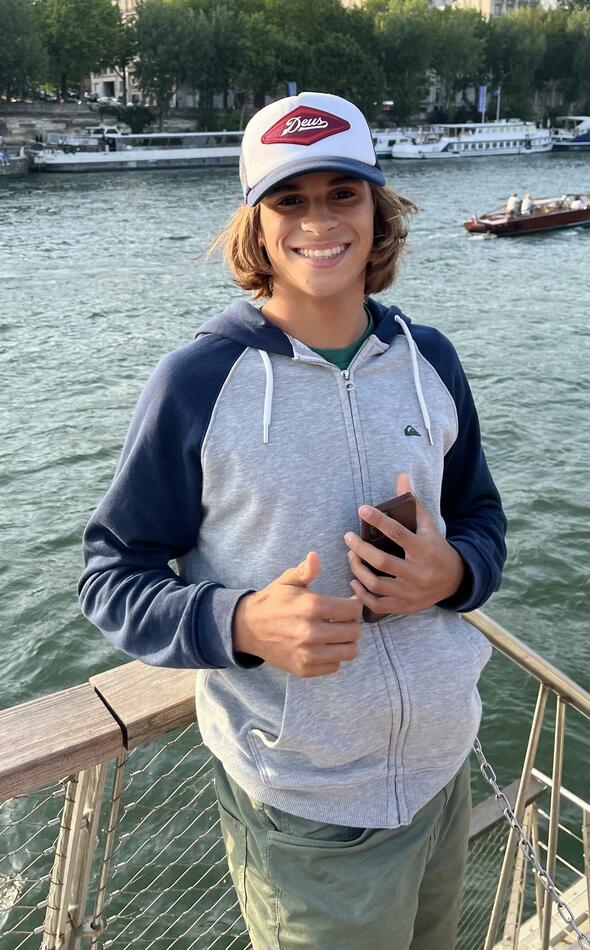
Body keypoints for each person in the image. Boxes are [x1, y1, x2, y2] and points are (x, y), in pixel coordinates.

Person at [79, 91, 507, 949]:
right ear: (256, 222)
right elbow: (110, 576)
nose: (320, 221)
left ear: (378, 210)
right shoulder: (196, 382)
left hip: (441, 773)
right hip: (306, 812)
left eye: (343, 193)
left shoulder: (431, 359)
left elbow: (481, 515)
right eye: (290, 199)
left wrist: (455, 572)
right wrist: (242, 622)